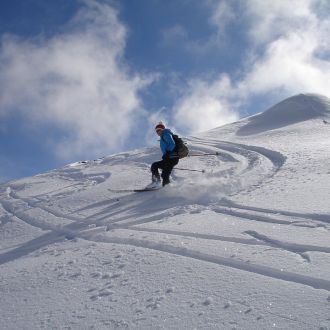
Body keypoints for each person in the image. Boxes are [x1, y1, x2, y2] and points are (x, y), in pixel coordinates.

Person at [150, 122, 179, 187]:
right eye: (156, 131)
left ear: (162, 129)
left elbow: (172, 144)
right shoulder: (163, 136)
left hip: (172, 158)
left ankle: (161, 185)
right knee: (156, 167)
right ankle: (160, 184)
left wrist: (168, 153)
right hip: (169, 158)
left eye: (159, 130)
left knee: (162, 172)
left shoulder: (166, 134)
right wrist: (166, 155)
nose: (157, 132)